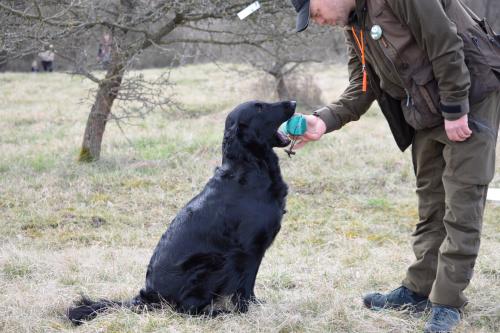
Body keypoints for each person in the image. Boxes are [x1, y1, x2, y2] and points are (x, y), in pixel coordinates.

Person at [289, 0, 500, 332]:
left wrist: (456, 108)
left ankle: (447, 302)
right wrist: (324, 121)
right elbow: (362, 85)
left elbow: (444, 41)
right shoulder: (354, 25)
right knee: (431, 203)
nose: (317, 21)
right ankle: (417, 290)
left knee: (462, 204)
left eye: (313, 12)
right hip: (427, 107)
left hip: (469, 94)